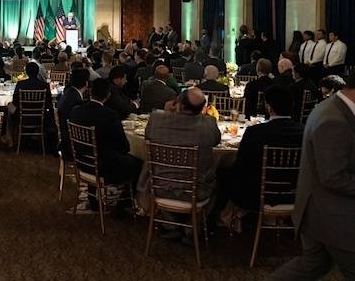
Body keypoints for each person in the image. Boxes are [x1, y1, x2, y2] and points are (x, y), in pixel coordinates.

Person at [271, 74, 355, 280]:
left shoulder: (333, 108)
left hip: (319, 210)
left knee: (310, 266)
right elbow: (334, 177)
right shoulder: (334, 120)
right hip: (333, 215)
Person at [215, 86, 304, 218]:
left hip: (255, 195)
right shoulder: (304, 131)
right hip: (295, 193)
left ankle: (218, 218)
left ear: (269, 107)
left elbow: (240, 165)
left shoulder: (254, 132)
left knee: (222, 172)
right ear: (293, 106)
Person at [144, 87, 221, 202]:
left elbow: (147, 136)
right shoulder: (209, 123)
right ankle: (202, 218)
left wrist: (167, 112)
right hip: (196, 190)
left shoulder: (156, 118)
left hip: (158, 186)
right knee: (221, 176)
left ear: (180, 105)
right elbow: (216, 141)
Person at [69, 78, 142, 197]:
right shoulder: (110, 115)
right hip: (104, 166)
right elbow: (124, 147)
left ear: (91, 91)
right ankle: (124, 204)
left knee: (98, 151)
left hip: (81, 160)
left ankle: (92, 198)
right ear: (108, 95)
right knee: (139, 164)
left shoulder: (75, 111)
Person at [10, 61, 55, 151]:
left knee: (8, 106)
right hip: (40, 117)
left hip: (22, 116)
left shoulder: (20, 84)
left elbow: (15, 102)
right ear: (38, 72)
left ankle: (10, 138)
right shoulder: (45, 85)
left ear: (26, 72)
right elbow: (49, 104)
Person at [56, 68, 89, 160]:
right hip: (71, 146)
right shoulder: (76, 100)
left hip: (65, 141)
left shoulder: (68, 93)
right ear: (86, 83)